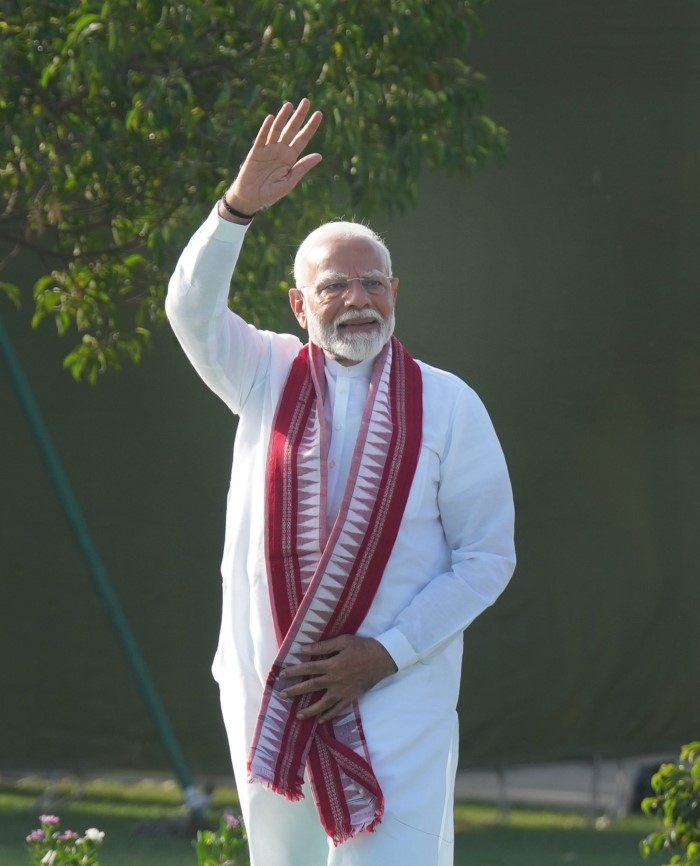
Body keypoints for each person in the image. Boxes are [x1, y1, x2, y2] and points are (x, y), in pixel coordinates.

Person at [166, 98, 516, 866]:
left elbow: (487, 557)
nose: (358, 299)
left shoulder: (449, 404)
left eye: (372, 283)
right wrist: (237, 209)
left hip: (397, 690)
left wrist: (386, 653)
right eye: (334, 287)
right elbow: (190, 310)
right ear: (298, 304)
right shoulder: (263, 372)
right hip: (273, 688)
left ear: (396, 292)